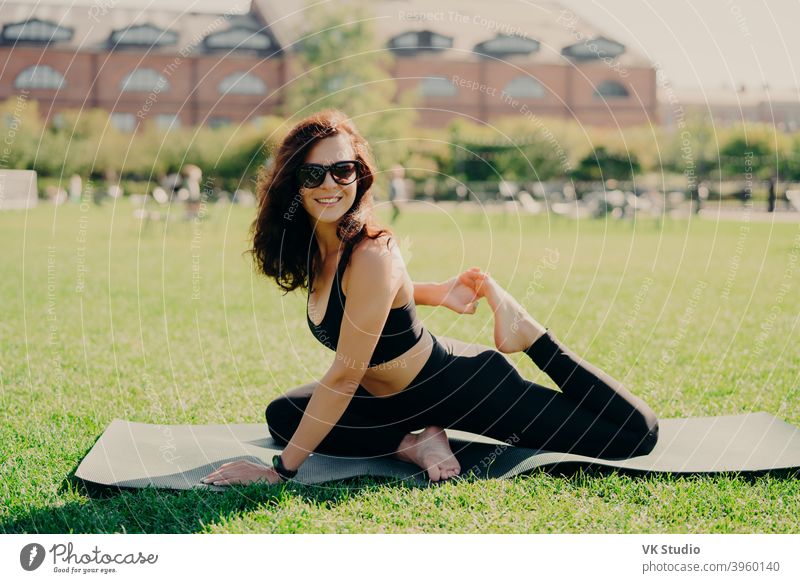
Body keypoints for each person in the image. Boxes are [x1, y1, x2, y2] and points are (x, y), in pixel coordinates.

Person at [201, 109, 659, 487]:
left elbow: (343, 378)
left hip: (460, 386)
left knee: (632, 436)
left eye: (343, 169)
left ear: (359, 175)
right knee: (284, 416)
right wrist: (433, 293)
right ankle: (413, 442)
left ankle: (528, 332)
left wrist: (279, 473)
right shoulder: (319, 249)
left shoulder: (371, 252)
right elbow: (365, 307)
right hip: (393, 403)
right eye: (312, 173)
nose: (330, 184)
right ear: (292, 183)